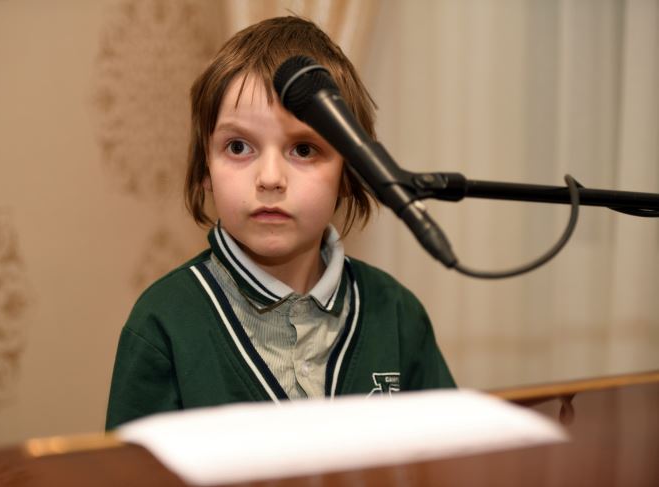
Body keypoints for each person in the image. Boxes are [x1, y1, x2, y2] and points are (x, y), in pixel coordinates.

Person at [106, 16, 454, 430]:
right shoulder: (164, 322)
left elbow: (447, 455)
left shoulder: (396, 314)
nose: (270, 178)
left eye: (303, 149)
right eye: (239, 146)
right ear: (205, 169)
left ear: (349, 173)